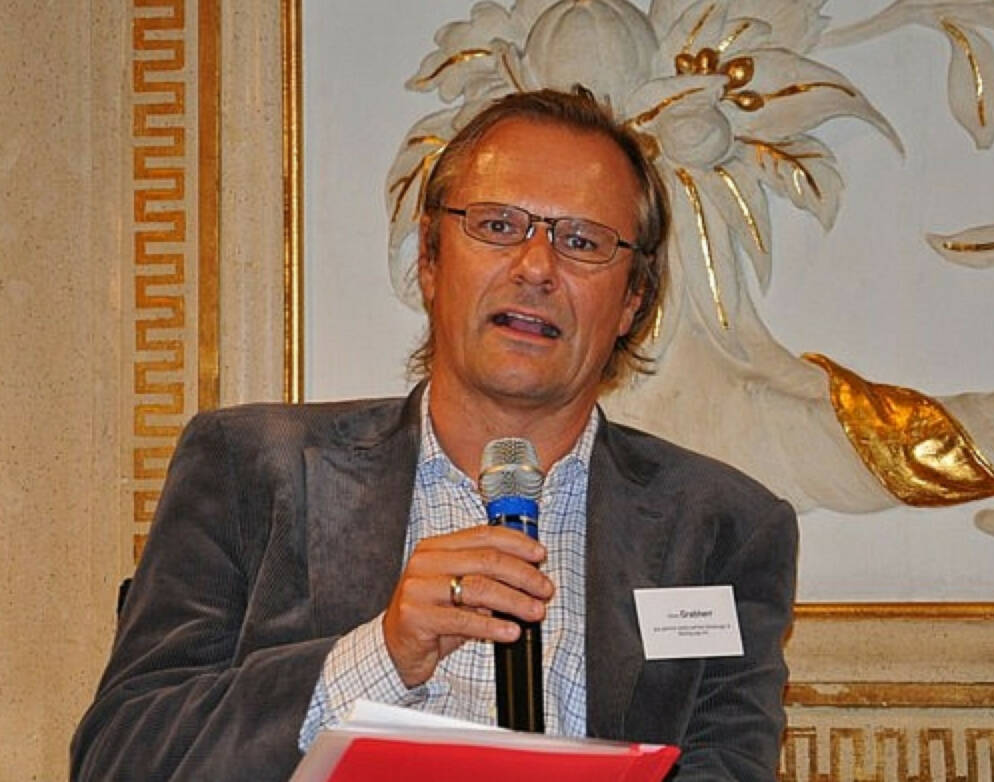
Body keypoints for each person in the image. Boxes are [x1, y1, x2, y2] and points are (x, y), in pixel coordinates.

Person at [71, 88, 797, 781]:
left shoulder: (722, 528)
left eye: (582, 241)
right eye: (498, 226)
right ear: (429, 257)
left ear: (634, 300)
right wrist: (382, 653)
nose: (536, 268)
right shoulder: (250, 469)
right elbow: (121, 759)